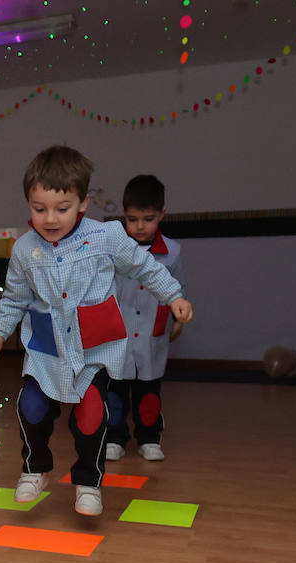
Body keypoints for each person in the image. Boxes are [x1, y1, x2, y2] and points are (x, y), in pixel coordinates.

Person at [0, 146, 194, 516]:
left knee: (92, 413)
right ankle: (34, 469)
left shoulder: (106, 237)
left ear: (82, 203)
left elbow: (145, 267)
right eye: (38, 208)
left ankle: (88, 482)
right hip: (46, 348)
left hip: (92, 347)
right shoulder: (24, 249)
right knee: (31, 405)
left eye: (61, 209)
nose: (49, 218)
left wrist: (173, 296)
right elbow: (14, 300)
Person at [106, 175, 186, 462]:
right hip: (118, 332)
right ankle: (114, 437)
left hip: (153, 331)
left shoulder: (172, 251)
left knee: (148, 389)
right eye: (132, 219)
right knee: (115, 389)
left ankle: (149, 438)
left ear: (162, 214)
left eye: (148, 219)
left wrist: (177, 318)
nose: (140, 226)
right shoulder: (113, 248)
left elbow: (177, 287)